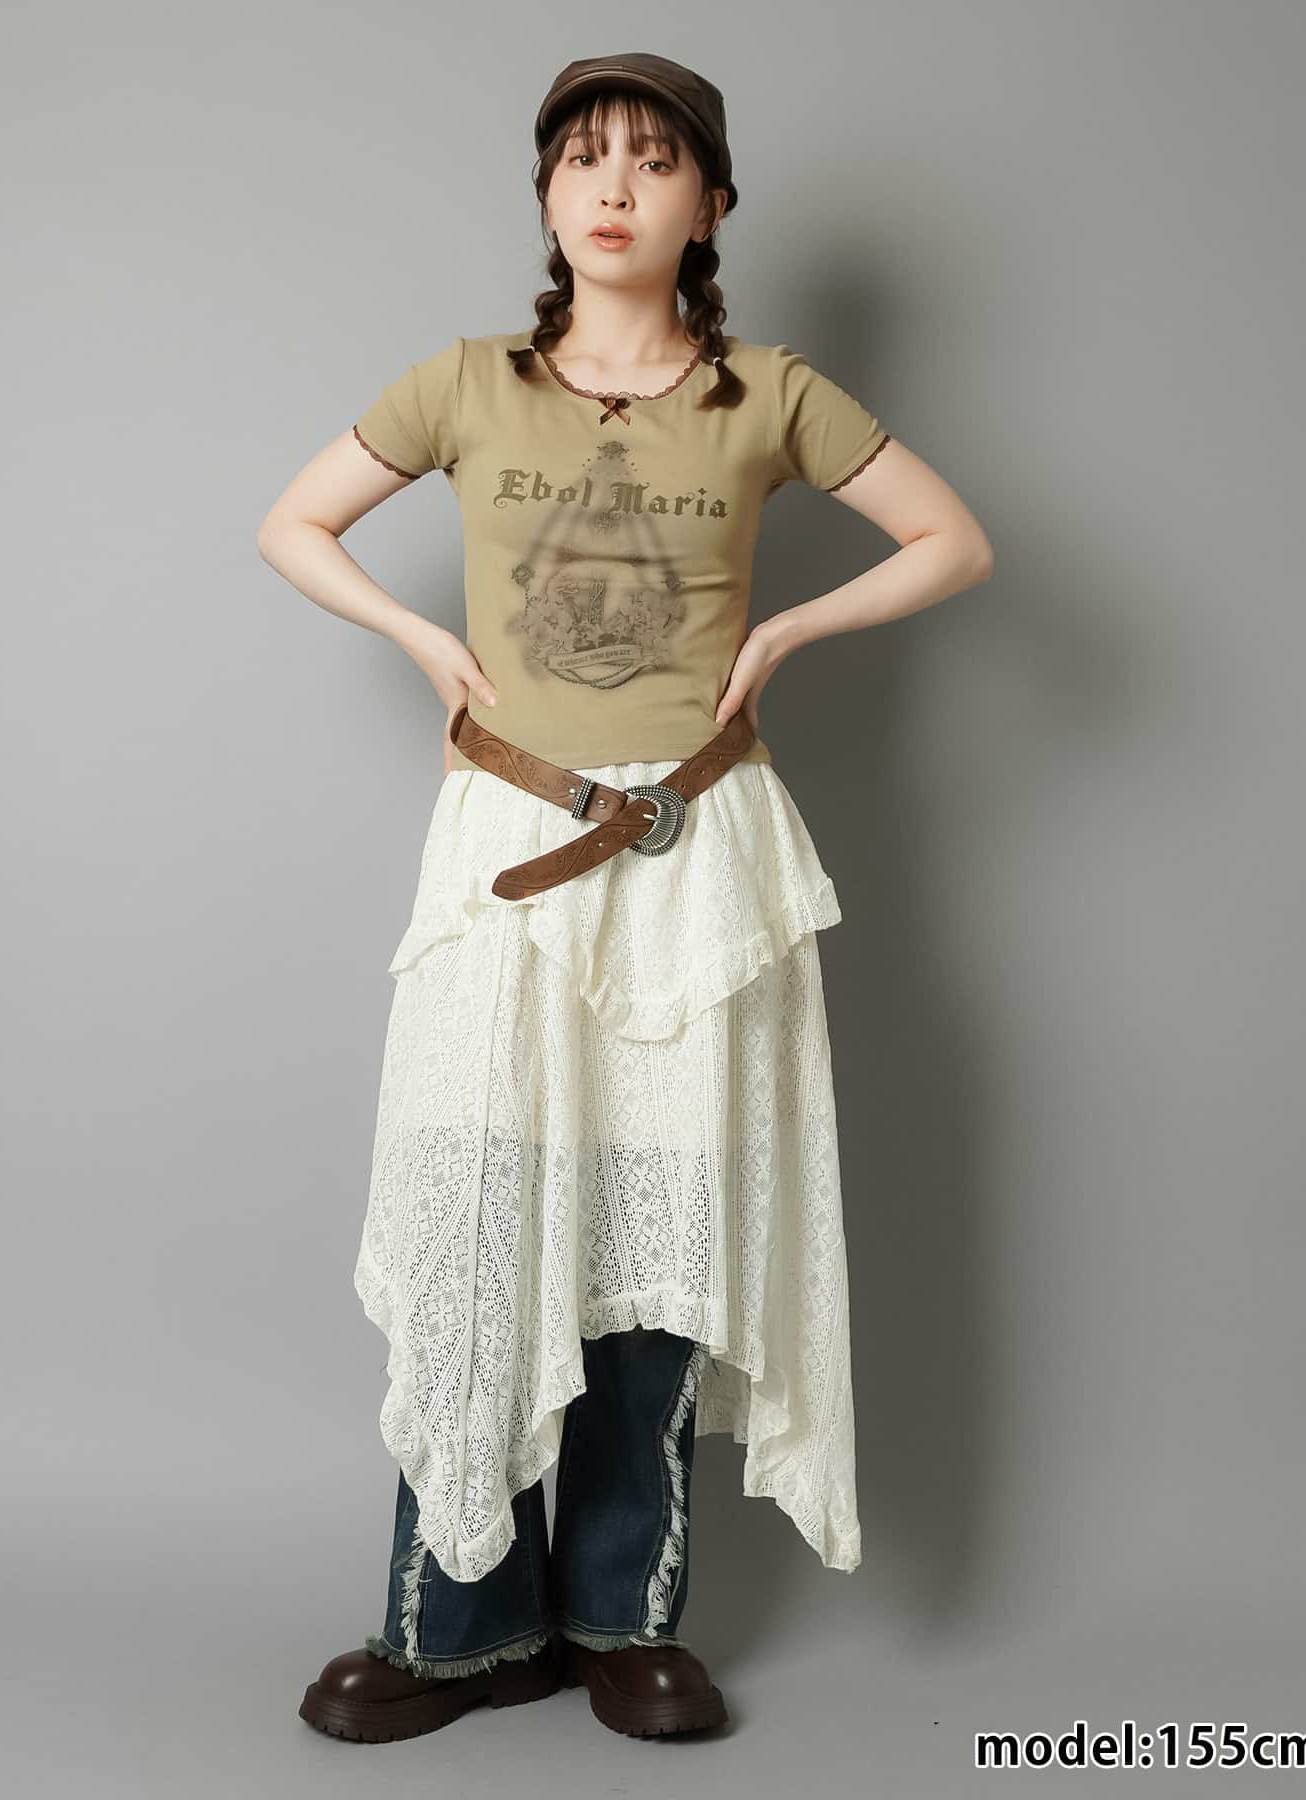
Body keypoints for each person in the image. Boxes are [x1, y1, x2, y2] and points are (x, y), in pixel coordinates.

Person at [256, 51, 994, 1744]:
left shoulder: (768, 394)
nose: (613, 187)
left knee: (662, 1230)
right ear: (544, 195)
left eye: (654, 162)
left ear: (710, 204)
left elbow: (952, 540)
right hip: (511, 845)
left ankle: (620, 1618)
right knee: (483, 1214)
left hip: (694, 850)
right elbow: (296, 524)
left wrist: (789, 632)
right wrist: (423, 641)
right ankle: (452, 1624)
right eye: (582, 157)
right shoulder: (464, 384)